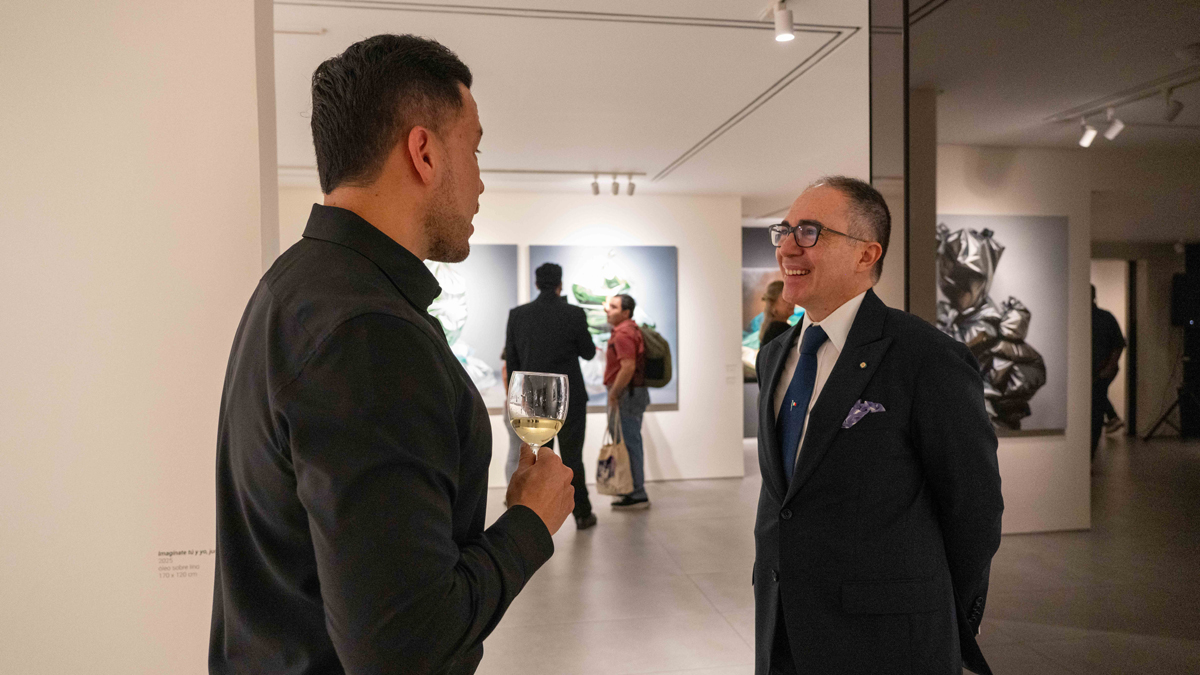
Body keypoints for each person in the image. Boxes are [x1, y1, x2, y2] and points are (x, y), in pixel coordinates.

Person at [209, 35, 576, 675]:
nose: (481, 182)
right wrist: (529, 523)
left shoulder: (296, 283)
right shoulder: (370, 333)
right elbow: (405, 648)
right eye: (475, 150)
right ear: (424, 152)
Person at [753, 176, 1003, 675]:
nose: (787, 247)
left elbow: (973, 505)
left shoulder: (926, 357)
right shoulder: (775, 356)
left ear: (866, 254)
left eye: (809, 232)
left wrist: (943, 612)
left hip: (888, 640)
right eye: (784, 231)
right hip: (782, 629)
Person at [504, 262, 598, 529]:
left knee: (537, 458)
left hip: (534, 397)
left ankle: (535, 518)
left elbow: (513, 362)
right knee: (573, 457)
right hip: (570, 396)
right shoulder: (574, 313)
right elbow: (589, 352)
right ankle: (582, 514)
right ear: (560, 284)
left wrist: (516, 396)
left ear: (536, 283)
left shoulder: (518, 315)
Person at [604, 294, 651, 509]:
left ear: (625, 312)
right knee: (629, 442)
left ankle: (637, 493)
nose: (608, 309)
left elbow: (628, 366)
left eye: (613, 307)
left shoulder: (623, 333)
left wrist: (614, 393)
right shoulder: (630, 329)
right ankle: (631, 489)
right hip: (632, 393)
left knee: (629, 443)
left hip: (626, 395)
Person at [1092, 285, 1127, 457]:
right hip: (1097, 371)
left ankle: (1090, 453)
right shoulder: (1103, 317)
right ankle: (1113, 417)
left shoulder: (1104, 318)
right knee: (1097, 399)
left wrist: (1109, 367)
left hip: (1102, 370)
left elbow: (1118, 345)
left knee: (1096, 405)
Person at [760, 280, 796, 346]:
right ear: (772, 304)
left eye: (791, 298)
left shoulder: (770, 328)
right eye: (785, 300)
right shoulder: (780, 329)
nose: (791, 303)